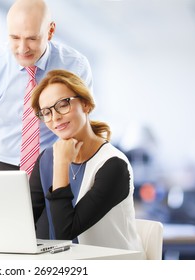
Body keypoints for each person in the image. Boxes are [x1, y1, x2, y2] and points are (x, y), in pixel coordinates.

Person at [0, 0, 93, 172]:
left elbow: (82, 127)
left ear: (50, 31)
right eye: (15, 38)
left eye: (32, 38)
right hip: (2, 163)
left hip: (56, 162)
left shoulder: (75, 66)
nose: (22, 48)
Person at [29, 69, 145, 255]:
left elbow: (64, 234)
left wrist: (61, 164)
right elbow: (25, 220)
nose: (55, 117)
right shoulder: (45, 159)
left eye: (62, 104)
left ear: (86, 105)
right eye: (46, 112)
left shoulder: (113, 165)